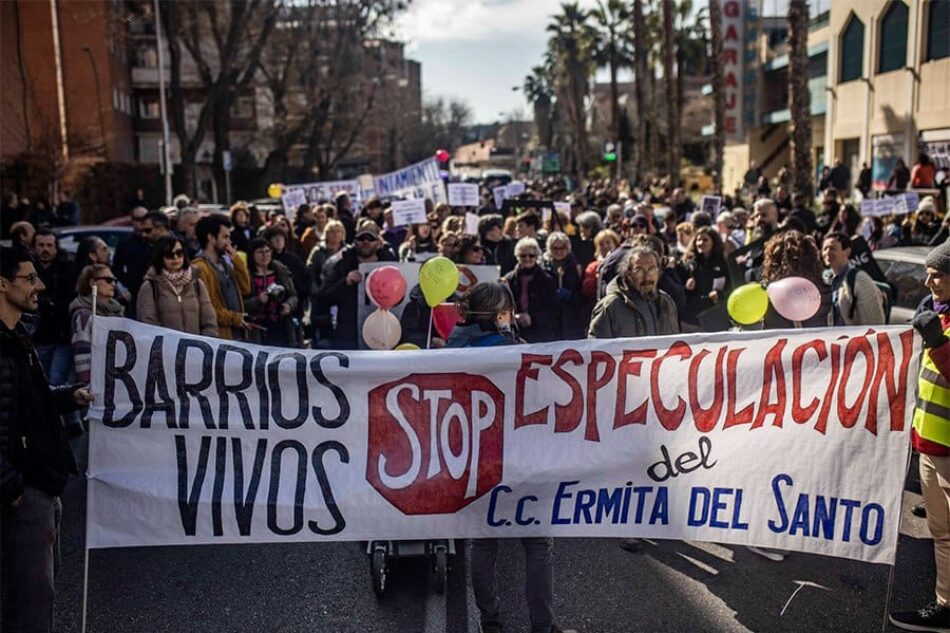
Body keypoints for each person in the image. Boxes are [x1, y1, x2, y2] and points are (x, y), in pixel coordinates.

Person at [446, 282, 575, 633]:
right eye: (507, 310)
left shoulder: (450, 349)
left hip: (475, 458)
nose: (511, 316)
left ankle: (490, 619)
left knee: (484, 543)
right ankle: (542, 625)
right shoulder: (513, 350)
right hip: (521, 455)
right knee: (537, 544)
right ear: (496, 314)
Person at [0, 246, 93, 633]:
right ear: (2, 284)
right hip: (23, 489)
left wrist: (68, 395)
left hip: (37, 482)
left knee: (37, 593)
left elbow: (28, 401)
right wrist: (11, 487)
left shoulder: (18, 336)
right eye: (29, 278)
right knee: (29, 599)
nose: (39, 285)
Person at [888, 240, 950, 632]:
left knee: (946, 537)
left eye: (939, 273)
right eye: (929, 272)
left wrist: (939, 345)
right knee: (941, 532)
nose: (930, 280)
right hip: (929, 445)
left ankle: (946, 607)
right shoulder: (941, 316)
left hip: (947, 450)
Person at [319, 220, 396, 349]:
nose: (365, 242)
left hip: (383, 333)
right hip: (348, 336)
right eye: (361, 238)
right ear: (354, 242)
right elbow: (324, 297)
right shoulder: (342, 265)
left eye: (370, 238)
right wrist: (345, 282)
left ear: (378, 244)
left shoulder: (390, 265)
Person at [589, 245, 680, 340]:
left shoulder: (667, 303)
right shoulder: (610, 306)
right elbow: (597, 350)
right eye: (639, 271)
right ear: (627, 273)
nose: (647, 277)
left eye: (652, 269)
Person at [137, 235, 218, 337]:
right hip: (166, 349)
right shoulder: (150, 287)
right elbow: (146, 325)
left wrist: (206, 343)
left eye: (179, 253)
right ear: (160, 256)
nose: (175, 258)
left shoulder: (197, 283)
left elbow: (209, 321)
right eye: (169, 254)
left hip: (196, 348)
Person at [192, 215, 251, 340]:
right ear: (211, 238)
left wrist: (236, 260)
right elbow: (208, 309)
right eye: (225, 237)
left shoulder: (225, 264)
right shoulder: (200, 268)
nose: (229, 242)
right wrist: (235, 318)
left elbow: (245, 289)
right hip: (220, 337)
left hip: (237, 335)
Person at [31, 230, 75, 388]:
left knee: (57, 383)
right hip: (38, 336)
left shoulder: (68, 269)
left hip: (62, 335)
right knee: (40, 383)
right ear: (34, 247)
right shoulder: (29, 270)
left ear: (56, 248)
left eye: (49, 245)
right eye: (41, 245)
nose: (45, 249)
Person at [69, 264, 125, 384]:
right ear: (92, 283)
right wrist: (87, 385)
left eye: (114, 280)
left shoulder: (117, 312)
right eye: (108, 280)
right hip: (95, 385)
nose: (113, 284)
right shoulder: (84, 315)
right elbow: (82, 356)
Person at [821, 233, 886, 326]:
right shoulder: (825, 278)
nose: (827, 252)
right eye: (824, 249)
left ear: (847, 252)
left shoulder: (859, 279)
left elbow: (874, 323)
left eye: (832, 248)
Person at [502, 237, 558, 343]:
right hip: (515, 334)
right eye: (523, 255)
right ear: (517, 257)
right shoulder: (508, 279)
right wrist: (514, 318)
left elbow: (553, 311)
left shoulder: (547, 280)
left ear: (536, 257)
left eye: (531, 255)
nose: (527, 258)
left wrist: (533, 318)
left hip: (540, 335)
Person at [245, 238, 298, 347]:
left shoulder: (280, 270)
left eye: (267, 251)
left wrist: (288, 305)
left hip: (282, 325)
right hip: (258, 328)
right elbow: (241, 304)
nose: (264, 255)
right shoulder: (247, 275)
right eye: (260, 252)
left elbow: (293, 295)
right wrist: (258, 300)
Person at [681, 227, 731, 330]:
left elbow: (731, 287)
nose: (701, 243)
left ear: (714, 242)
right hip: (691, 318)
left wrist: (720, 295)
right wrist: (686, 287)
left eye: (705, 240)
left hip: (714, 317)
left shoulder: (723, 264)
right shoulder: (689, 263)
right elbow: (678, 289)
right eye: (698, 240)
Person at [542, 232, 586, 339]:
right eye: (555, 248)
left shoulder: (576, 267)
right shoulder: (542, 268)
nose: (559, 251)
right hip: (550, 322)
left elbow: (584, 297)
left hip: (571, 322)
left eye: (562, 248)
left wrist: (571, 297)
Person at [112, 206, 153, 317]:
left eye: (145, 218)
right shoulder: (125, 242)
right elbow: (116, 268)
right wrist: (124, 288)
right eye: (139, 219)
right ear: (133, 220)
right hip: (133, 292)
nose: (142, 223)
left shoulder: (154, 240)